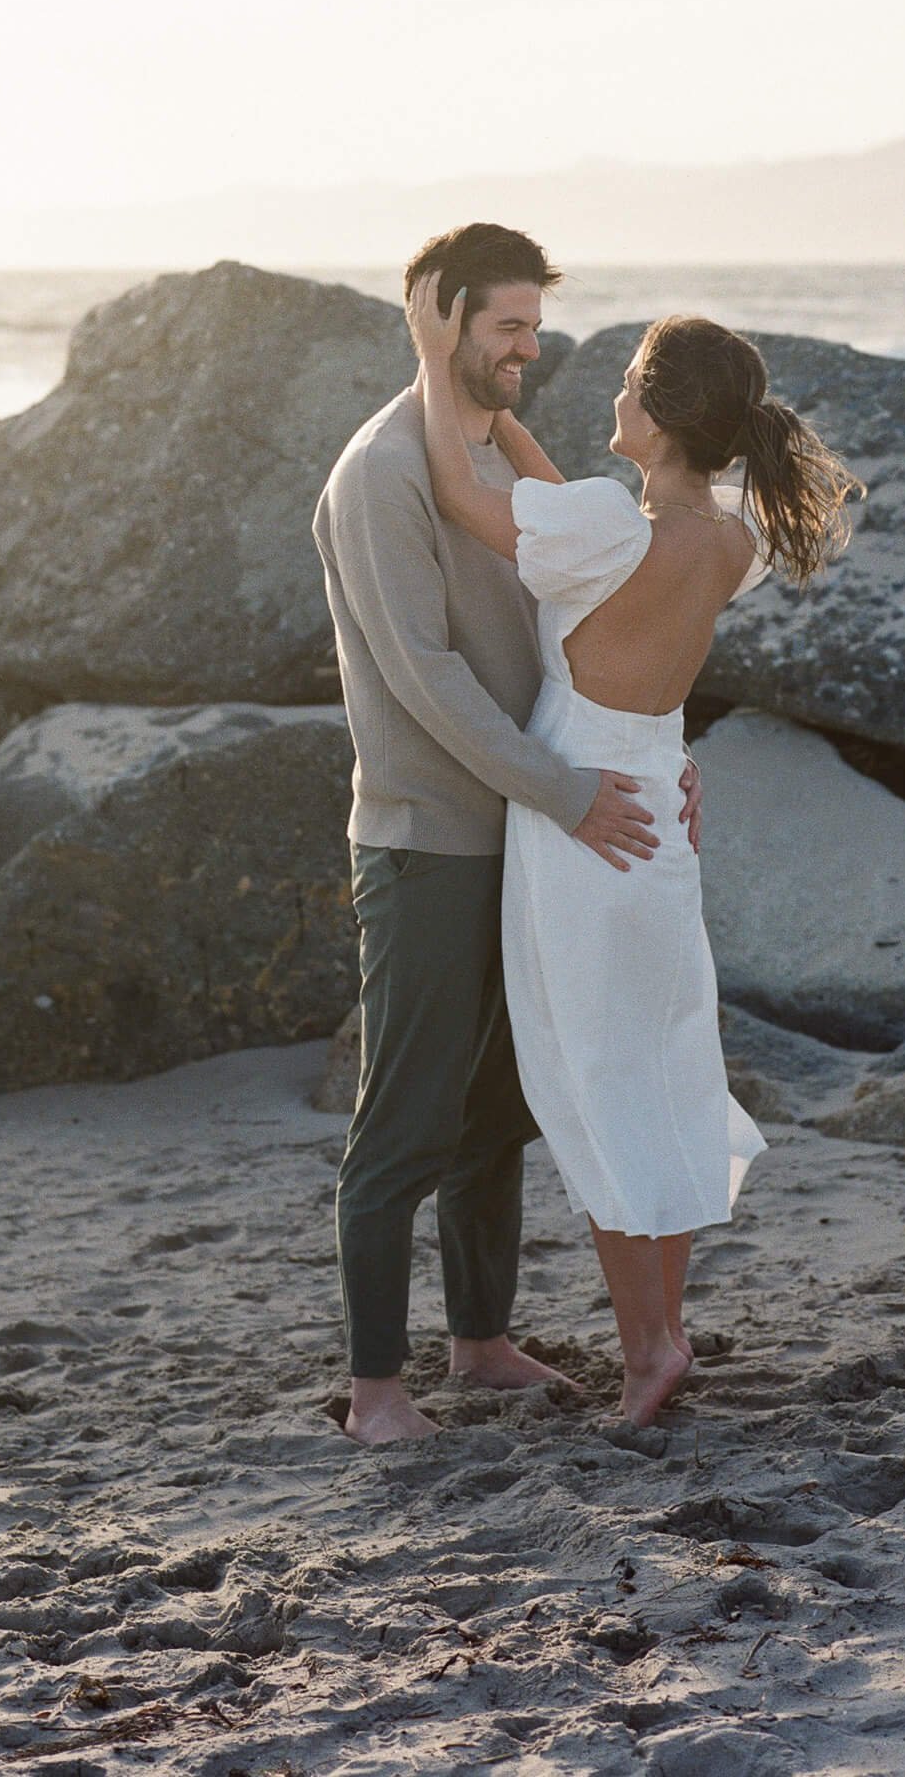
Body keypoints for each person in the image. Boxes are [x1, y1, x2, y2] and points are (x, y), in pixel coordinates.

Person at [410, 280, 862, 1425]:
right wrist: (504, 412)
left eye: (626, 384)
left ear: (657, 420)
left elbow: (473, 502)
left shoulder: (614, 523)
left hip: (586, 814)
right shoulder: (729, 537)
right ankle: (665, 1331)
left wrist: (434, 357)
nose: (607, 392)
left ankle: (649, 1350)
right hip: (657, 786)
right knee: (657, 1067)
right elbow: (588, 538)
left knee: (598, 1077)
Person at [312, 223, 704, 1446]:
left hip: (530, 834)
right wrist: (563, 787)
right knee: (409, 1112)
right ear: (438, 317)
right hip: (433, 836)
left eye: (536, 325)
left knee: (500, 1103)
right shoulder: (382, 470)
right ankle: (378, 1387)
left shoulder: (480, 450)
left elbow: (596, 626)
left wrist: (653, 762)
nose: (531, 348)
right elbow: (422, 675)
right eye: (505, 326)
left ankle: (479, 1338)